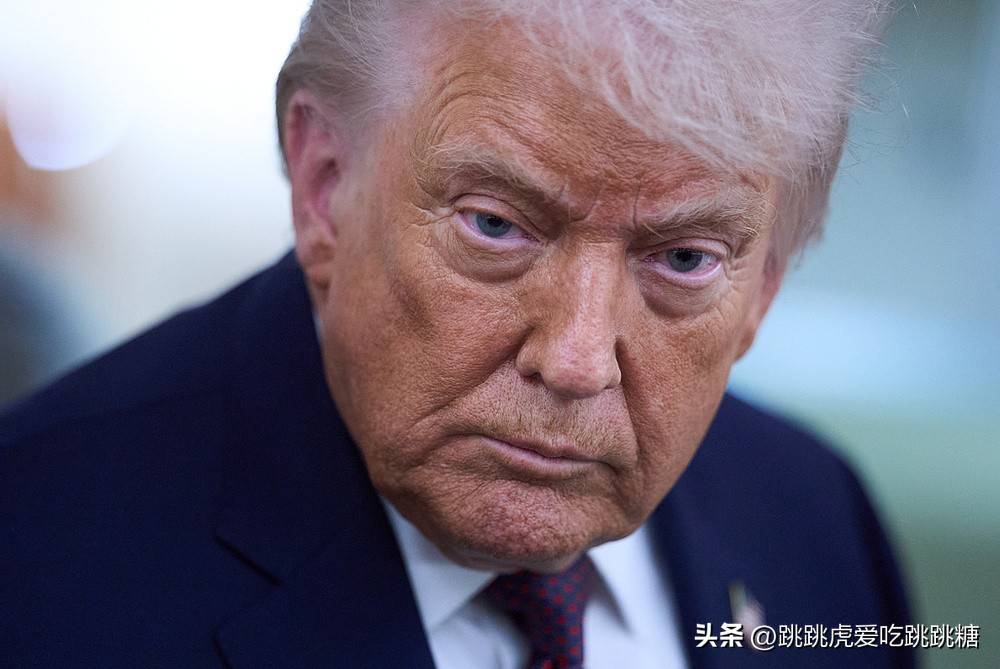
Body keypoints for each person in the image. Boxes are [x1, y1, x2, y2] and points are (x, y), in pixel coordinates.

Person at [0, 1, 915, 667]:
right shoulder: (34, 557)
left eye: (683, 258)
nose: (575, 360)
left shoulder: (817, 523)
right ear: (324, 185)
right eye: (496, 226)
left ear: (764, 286)